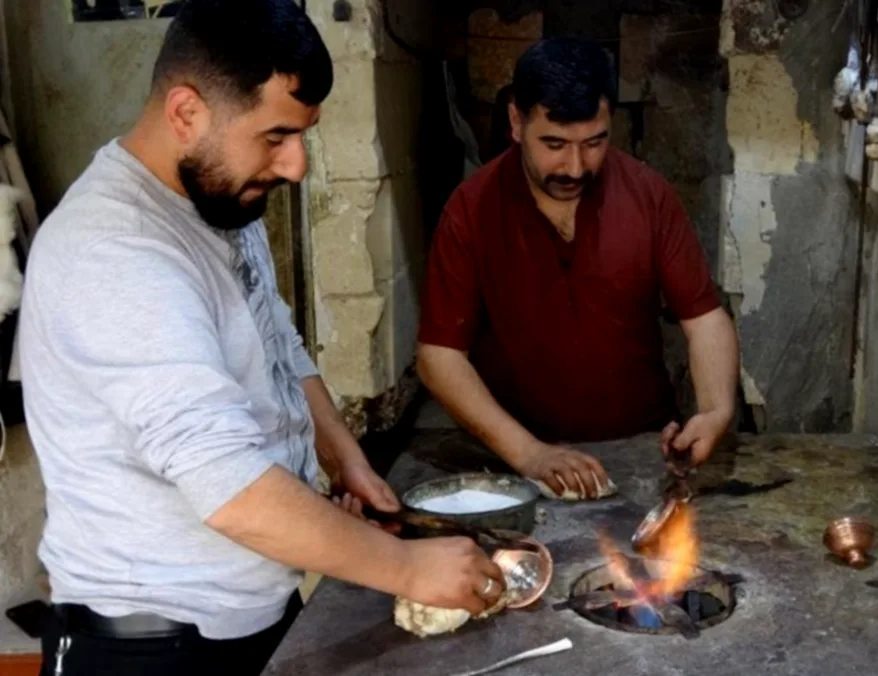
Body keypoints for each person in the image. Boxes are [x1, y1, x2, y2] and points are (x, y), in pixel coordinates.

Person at [18, 2, 504, 674]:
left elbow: (277, 339)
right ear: (186, 113)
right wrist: (405, 567)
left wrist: (344, 460)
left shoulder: (220, 202)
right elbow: (229, 486)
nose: (296, 165)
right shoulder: (115, 253)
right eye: (275, 136)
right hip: (151, 644)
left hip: (251, 613)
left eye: (302, 135)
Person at [416, 37, 740, 499]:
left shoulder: (648, 196)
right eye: (553, 144)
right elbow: (439, 357)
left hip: (642, 449)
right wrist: (530, 453)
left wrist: (714, 410)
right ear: (515, 121)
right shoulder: (470, 210)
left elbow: (705, 319)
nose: (574, 166)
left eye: (594, 143)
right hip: (515, 457)